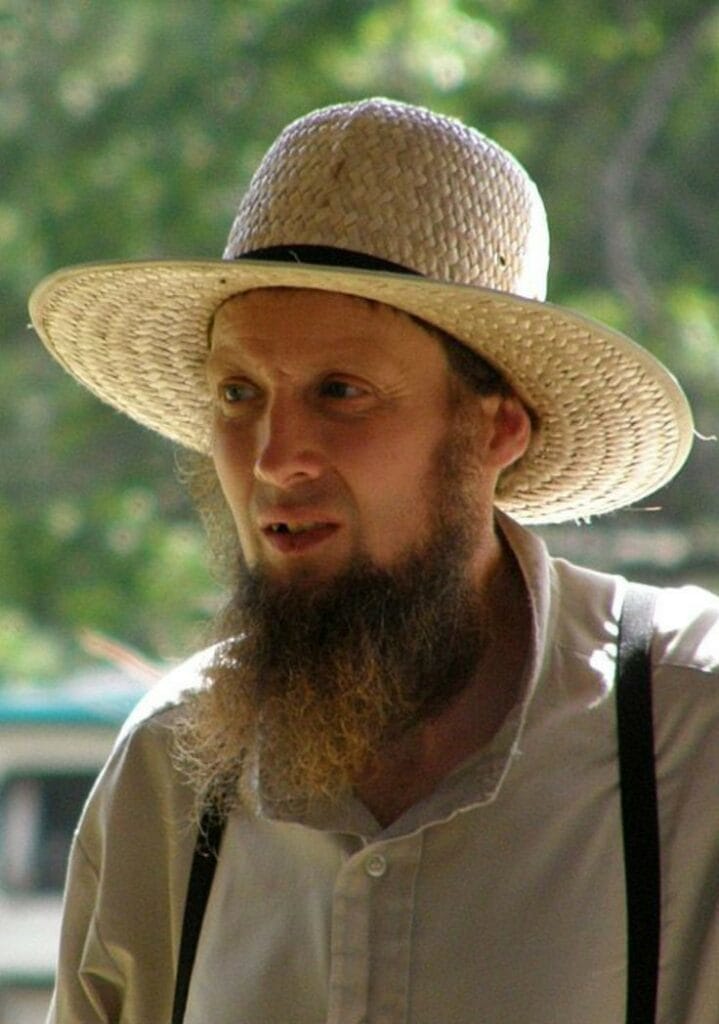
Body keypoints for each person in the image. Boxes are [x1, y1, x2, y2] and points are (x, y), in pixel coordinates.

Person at [29, 98, 719, 1024]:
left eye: (341, 392)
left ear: (495, 429)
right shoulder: (169, 772)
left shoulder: (686, 736)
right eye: (238, 393)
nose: (275, 457)